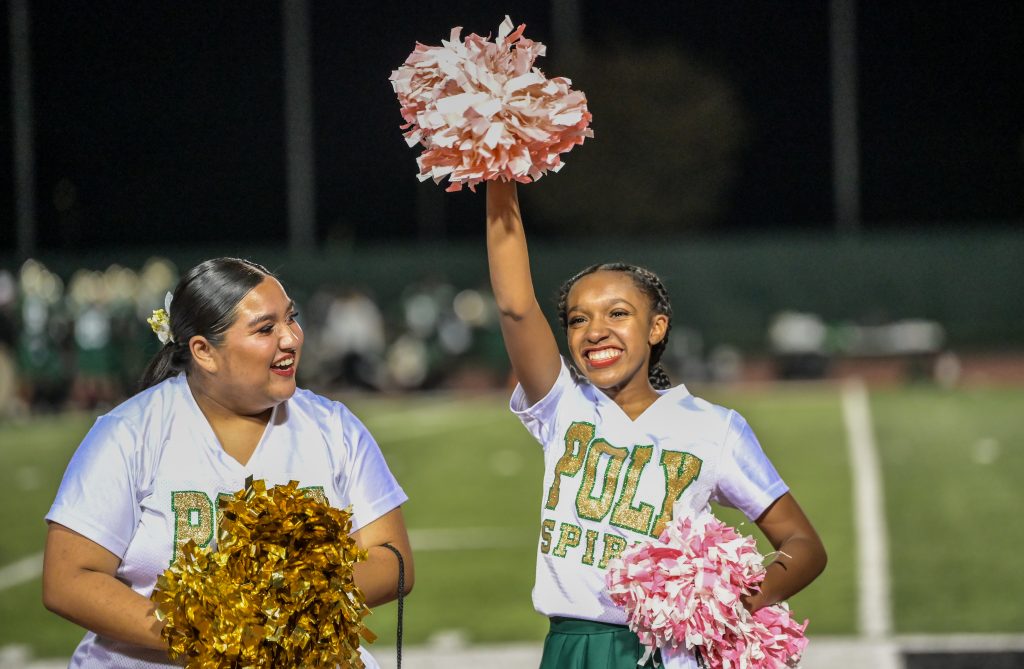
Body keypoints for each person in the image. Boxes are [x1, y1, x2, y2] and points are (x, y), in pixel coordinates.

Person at [485, 181, 826, 669]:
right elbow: (515, 306)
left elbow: (804, 546)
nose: (595, 331)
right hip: (571, 646)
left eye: (617, 314)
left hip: (664, 653)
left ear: (656, 327)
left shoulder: (715, 428)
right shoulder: (562, 404)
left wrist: (730, 604)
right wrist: (500, 178)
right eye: (578, 320)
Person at [42, 258, 413, 668]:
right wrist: (211, 633)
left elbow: (393, 558)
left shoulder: (334, 428)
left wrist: (294, 599)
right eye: (265, 329)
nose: (291, 338)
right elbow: (68, 579)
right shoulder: (130, 432)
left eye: (291, 318)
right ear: (204, 351)